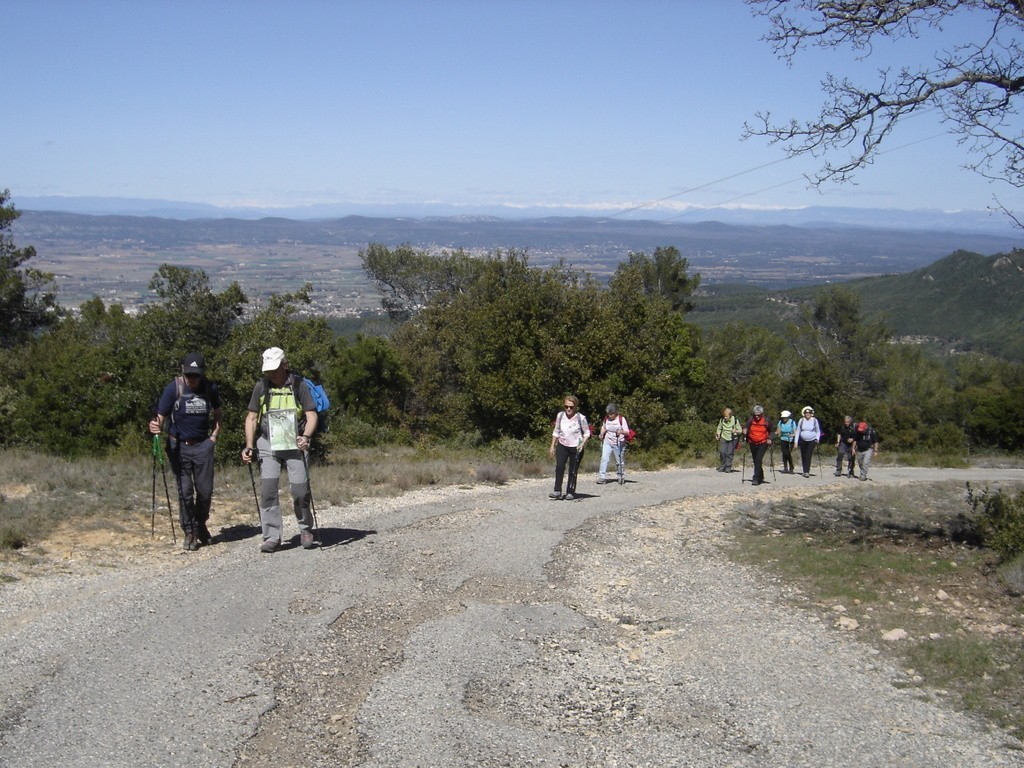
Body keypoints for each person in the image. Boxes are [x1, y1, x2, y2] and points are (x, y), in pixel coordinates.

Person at [242, 347, 318, 553]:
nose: (271, 374)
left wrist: (306, 437)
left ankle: (305, 529)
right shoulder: (261, 387)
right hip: (268, 443)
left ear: (284, 365)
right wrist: (249, 445)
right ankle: (271, 536)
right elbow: (251, 418)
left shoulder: (299, 385)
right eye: (268, 370)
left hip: (295, 443)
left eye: (274, 369)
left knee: (300, 490)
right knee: (268, 491)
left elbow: (311, 415)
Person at [149, 352, 222, 551]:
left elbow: (217, 413)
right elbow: (161, 416)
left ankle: (201, 523)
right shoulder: (174, 387)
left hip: (202, 446)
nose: (192, 379)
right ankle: (189, 531)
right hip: (178, 446)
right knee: (185, 492)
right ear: (183, 372)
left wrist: (213, 437)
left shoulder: (210, 388)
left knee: (205, 491)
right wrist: (155, 427)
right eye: (189, 375)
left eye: (196, 375)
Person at [549, 395, 590, 500]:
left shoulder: (581, 418)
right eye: (566, 406)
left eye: (571, 407)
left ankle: (570, 491)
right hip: (562, 445)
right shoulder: (560, 416)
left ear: (575, 407)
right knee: (559, 467)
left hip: (576, 447)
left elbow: (587, 432)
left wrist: (582, 444)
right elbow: (556, 431)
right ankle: (557, 490)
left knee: (573, 470)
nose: (568, 409)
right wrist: (552, 446)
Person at [597, 403, 629, 485]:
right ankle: (602, 477)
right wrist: (601, 434)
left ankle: (620, 476)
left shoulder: (621, 419)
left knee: (619, 461)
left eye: (612, 414)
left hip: (619, 443)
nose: (610, 416)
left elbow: (627, 432)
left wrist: (621, 431)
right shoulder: (606, 419)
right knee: (604, 458)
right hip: (607, 441)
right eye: (609, 414)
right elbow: (604, 427)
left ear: (616, 413)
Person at [743, 405, 774, 486]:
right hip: (752, 442)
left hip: (763, 443)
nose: (756, 416)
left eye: (758, 415)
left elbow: (772, 430)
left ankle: (756, 478)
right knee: (755, 460)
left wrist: (770, 438)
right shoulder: (750, 419)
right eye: (755, 414)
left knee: (758, 460)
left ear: (762, 414)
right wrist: (745, 430)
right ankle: (761, 475)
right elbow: (746, 427)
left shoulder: (766, 420)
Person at [715, 407, 743, 472]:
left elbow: (740, 431)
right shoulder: (722, 420)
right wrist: (718, 434)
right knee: (722, 452)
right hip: (724, 437)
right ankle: (722, 466)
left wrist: (735, 430)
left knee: (729, 453)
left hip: (732, 438)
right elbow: (719, 428)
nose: (725, 418)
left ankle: (728, 467)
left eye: (726, 416)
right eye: (724, 416)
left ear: (730, 415)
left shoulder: (735, 420)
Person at [796, 406, 821, 477]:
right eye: (806, 413)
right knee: (803, 455)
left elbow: (818, 431)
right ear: (804, 413)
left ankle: (807, 471)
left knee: (808, 455)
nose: (807, 414)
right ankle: (804, 470)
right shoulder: (801, 420)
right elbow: (798, 431)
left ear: (811, 413)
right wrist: (796, 441)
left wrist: (817, 439)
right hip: (802, 440)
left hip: (812, 440)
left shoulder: (814, 420)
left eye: (809, 412)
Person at [775, 410, 797, 474]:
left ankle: (791, 467)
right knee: (784, 453)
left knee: (788, 454)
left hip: (790, 440)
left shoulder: (792, 422)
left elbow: (796, 432)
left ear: (788, 417)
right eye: (783, 417)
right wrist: (775, 434)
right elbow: (778, 431)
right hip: (783, 439)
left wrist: (791, 435)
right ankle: (785, 468)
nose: (784, 419)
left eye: (785, 417)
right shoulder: (780, 422)